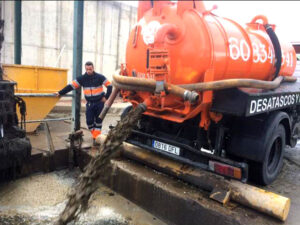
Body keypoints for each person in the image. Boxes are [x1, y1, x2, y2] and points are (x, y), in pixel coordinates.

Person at [56, 61, 112, 145]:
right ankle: (96, 135)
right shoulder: (82, 78)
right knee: (89, 121)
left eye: (90, 69)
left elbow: (110, 86)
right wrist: (60, 92)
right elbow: (71, 86)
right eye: (87, 69)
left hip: (99, 103)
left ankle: (95, 137)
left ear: (93, 68)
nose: (89, 71)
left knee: (99, 121)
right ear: (85, 69)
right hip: (90, 103)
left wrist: (106, 97)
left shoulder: (100, 77)